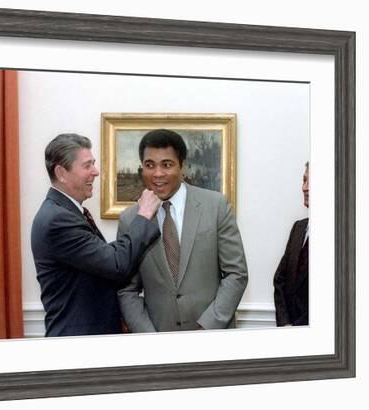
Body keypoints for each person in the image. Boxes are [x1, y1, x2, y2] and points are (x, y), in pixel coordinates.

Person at [117, 129, 248, 332]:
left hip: (214, 337)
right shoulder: (130, 219)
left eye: (167, 165)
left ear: (183, 166)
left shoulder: (216, 206)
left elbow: (236, 274)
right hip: (157, 341)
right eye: (150, 165)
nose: (158, 174)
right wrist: (148, 336)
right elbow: (127, 289)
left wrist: (208, 326)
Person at [31, 133, 161, 337]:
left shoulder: (67, 212)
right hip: (78, 344)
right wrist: (143, 214)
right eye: (87, 165)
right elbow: (116, 264)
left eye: (94, 164)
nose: (96, 171)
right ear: (61, 173)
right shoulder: (58, 220)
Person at [273, 162, 309, 326]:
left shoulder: (342, 234)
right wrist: (285, 324)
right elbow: (280, 279)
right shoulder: (298, 227)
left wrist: (298, 328)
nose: (305, 188)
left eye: (311, 182)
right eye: (304, 180)